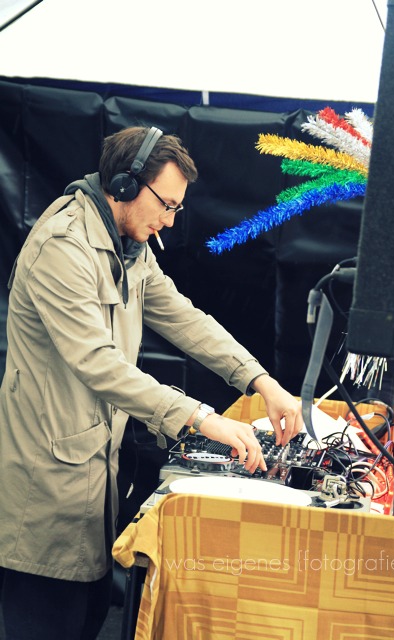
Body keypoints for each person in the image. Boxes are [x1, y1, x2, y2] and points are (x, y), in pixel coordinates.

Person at [0, 125, 303, 639]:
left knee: (89, 619)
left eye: (177, 209)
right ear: (124, 184)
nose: (170, 220)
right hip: (45, 489)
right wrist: (199, 417)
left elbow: (184, 317)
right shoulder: (62, 247)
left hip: (92, 482)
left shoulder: (128, 246)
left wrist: (261, 381)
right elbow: (97, 362)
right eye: (166, 205)